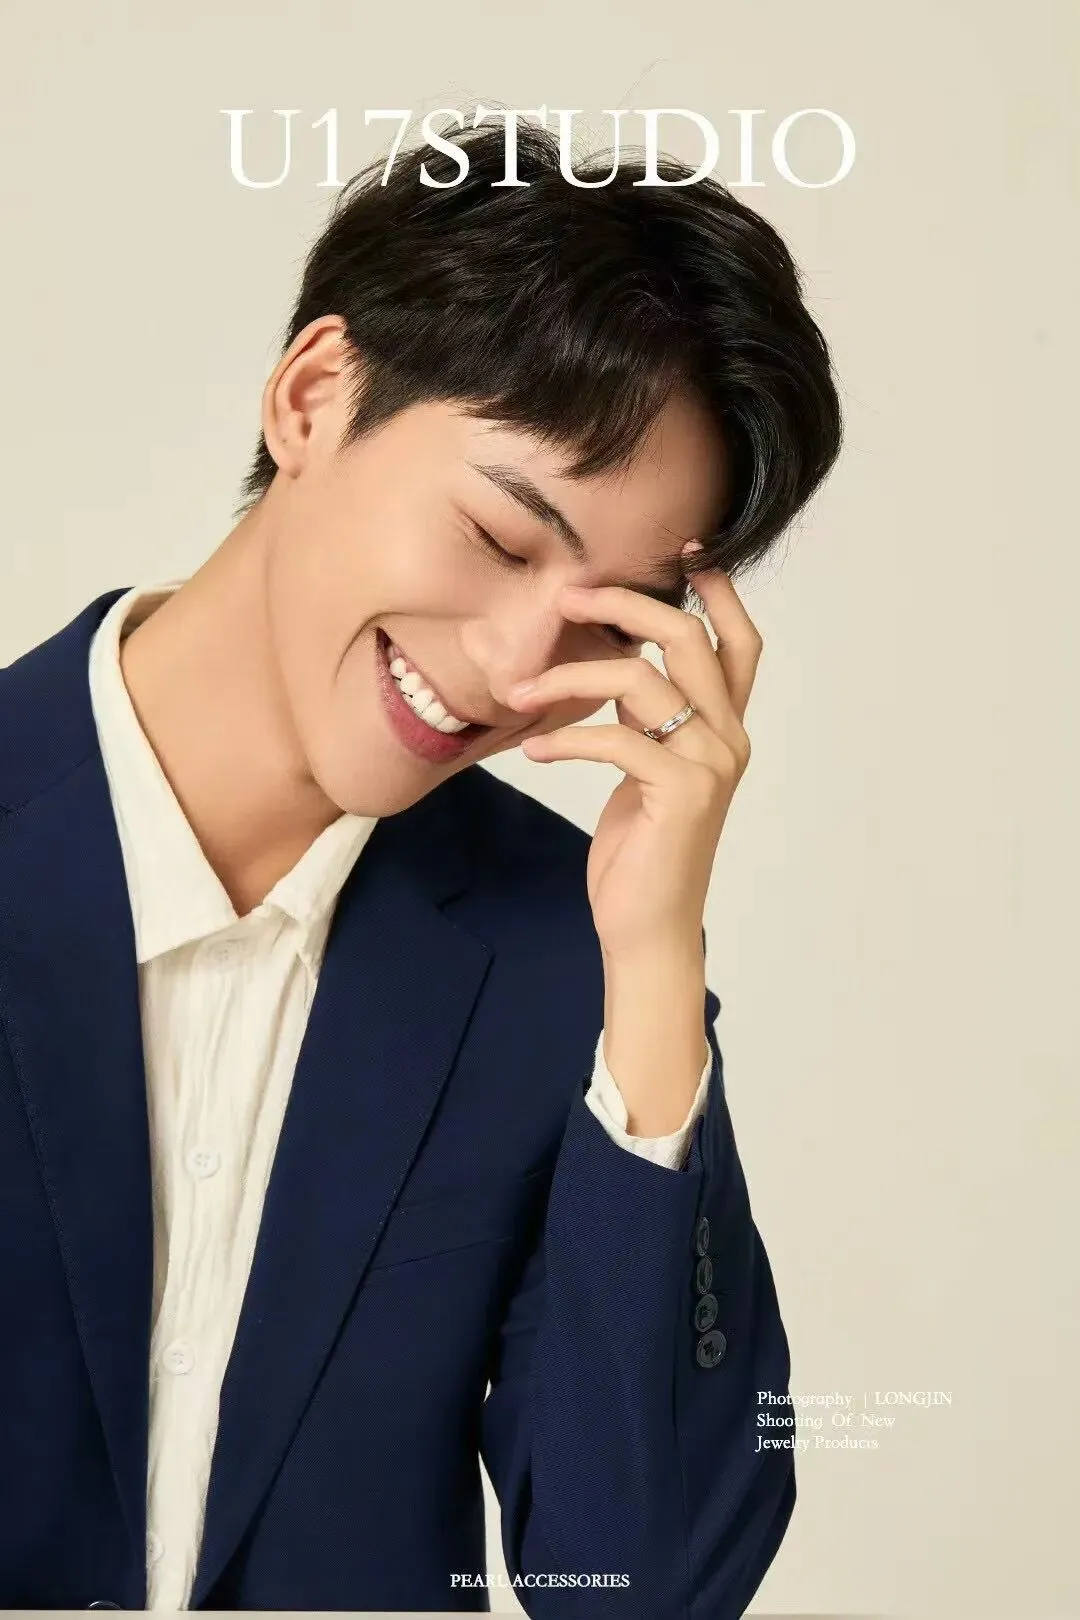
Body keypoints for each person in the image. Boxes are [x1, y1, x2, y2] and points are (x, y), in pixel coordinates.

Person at [0, 116, 842, 1613]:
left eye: (612, 616)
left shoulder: (562, 962)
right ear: (312, 397)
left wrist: (654, 966)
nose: (522, 672)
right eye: (502, 540)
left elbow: (641, 1588)